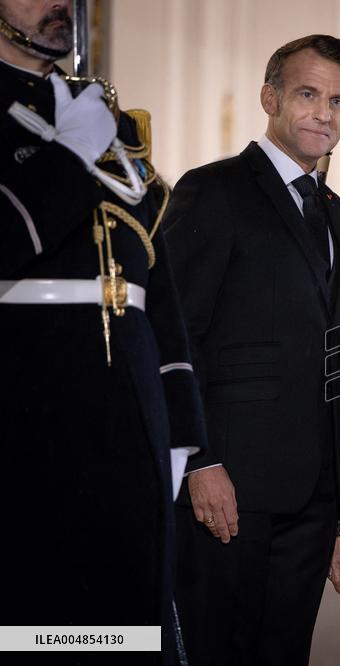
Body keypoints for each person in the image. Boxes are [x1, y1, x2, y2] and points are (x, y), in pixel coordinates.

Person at [0, 0, 205, 663]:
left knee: (122, 632)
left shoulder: (109, 124)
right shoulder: (78, 129)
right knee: (39, 626)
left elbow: (158, 295)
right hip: (27, 411)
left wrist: (183, 435)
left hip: (131, 418)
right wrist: (68, 153)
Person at [162, 34, 340, 665]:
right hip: (229, 488)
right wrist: (199, 461)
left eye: (339, 100)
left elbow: (331, 359)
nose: (323, 113)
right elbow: (173, 334)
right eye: (308, 94)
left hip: (310, 499)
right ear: (269, 97)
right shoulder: (212, 190)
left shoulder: (332, 211)